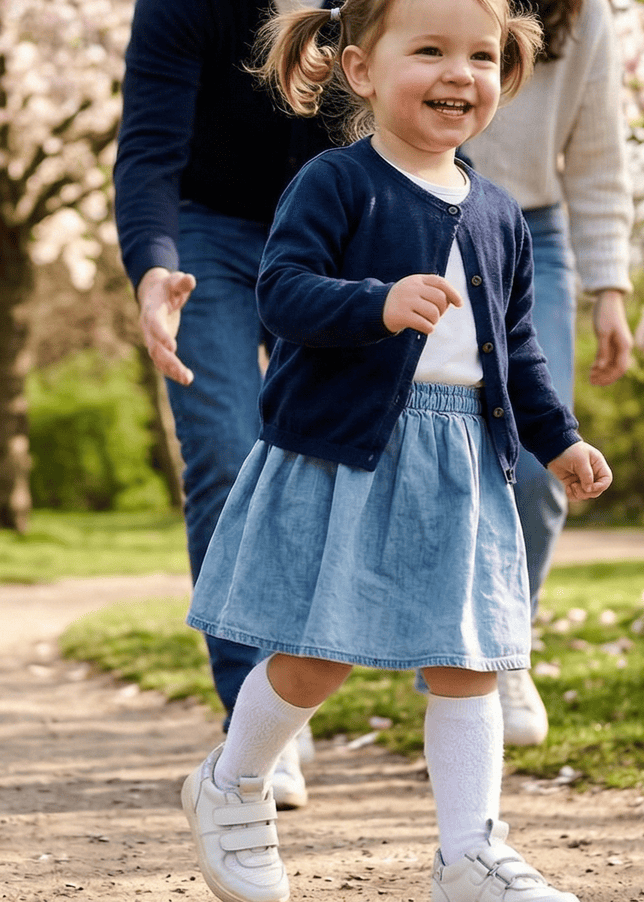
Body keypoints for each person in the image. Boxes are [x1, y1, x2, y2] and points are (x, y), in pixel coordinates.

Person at [180, 0, 613, 902]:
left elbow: (520, 353)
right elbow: (282, 292)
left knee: (469, 661)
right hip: (349, 453)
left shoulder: (500, 213)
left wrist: (560, 440)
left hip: (461, 457)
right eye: (430, 50)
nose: (460, 73)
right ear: (361, 70)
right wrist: (375, 304)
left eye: (483, 55)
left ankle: (470, 859)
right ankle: (233, 780)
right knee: (315, 654)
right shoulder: (336, 183)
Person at [113, 0, 334, 807]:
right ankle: (255, 720)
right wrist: (152, 269)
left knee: (321, 458)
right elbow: (148, 151)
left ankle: (292, 689)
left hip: (329, 227)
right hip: (205, 237)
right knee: (226, 456)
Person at [465, 0, 634, 746]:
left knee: (541, 463)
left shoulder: (582, 15)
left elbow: (597, 159)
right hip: (416, 202)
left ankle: (504, 648)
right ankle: (438, 655)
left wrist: (611, 290)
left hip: (533, 226)